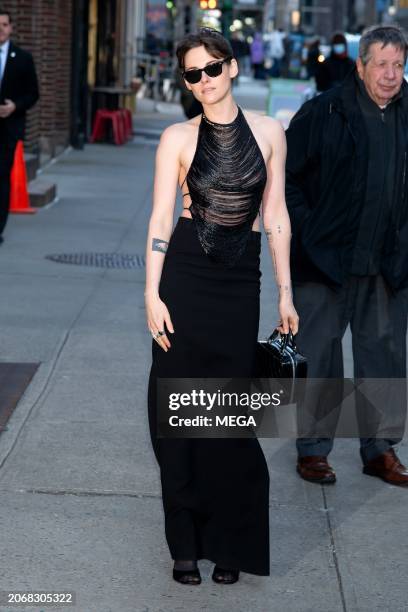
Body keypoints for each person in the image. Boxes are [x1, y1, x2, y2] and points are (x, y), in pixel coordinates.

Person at [146, 28, 298, 585]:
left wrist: (285, 290)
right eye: (192, 74)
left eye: (211, 69)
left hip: (239, 283)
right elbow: (162, 219)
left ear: (232, 67)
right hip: (184, 279)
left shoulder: (270, 131)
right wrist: (150, 293)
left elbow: (276, 214)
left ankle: (230, 541)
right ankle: (184, 542)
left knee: (230, 418)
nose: (203, 82)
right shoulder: (176, 138)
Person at [285, 24, 408, 486]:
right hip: (326, 261)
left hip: (388, 264)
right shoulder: (324, 112)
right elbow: (286, 179)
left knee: (384, 358)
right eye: (381, 64)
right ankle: (313, 450)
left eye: (398, 64)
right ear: (360, 66)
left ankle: (380, 451)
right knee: (319, 358)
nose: (390, 75)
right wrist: (310, 229)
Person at [0, 9, 39, 244]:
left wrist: (15, 106)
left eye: (4, 24)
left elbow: (33, 93)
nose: (0, 29)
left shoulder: (22, 58)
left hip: (9, 127)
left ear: (11, 28)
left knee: (2, 175)